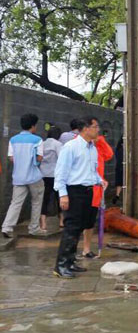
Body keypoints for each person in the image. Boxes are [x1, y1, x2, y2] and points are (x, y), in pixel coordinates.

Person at [53, 116, 107, 278]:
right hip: (73, 191)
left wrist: (100, 180)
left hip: (88, 191)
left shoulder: (92, 148)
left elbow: (91, 170)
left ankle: (70, 261)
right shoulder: (71, 147)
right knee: (71, 228)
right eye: (95, 126)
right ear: (85, 128)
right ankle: (60, 265)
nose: (98, 130)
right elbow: (61, 172)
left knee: (79, 228)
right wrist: (63, 194)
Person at [1, 113, 45, 238]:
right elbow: (39, 157)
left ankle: (7, 227)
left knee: (15, 202)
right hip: (33, 177)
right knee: (36, 201)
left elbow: (11, 158)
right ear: (33, 126)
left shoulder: (13, 140)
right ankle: (34, 228)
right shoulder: (37, 140)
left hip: (18, 177)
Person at [80, 131, 114, 259]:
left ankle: (86, 249)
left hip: (96, 190)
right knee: (78, 222)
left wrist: (100, 141)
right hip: (82, 190)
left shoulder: (98, 149)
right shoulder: (78, 146)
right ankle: (71, 252)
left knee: (89, 222)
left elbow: (109, 154)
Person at [40, 126, 63, 231]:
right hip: (55, 175)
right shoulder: (58, 144)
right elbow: (62, 159)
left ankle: (43, 223)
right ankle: (62, 220)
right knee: (59, 198)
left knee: (45, 198)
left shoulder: (42, 144)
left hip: (43, 174)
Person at [112, 137, 123, 205]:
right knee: (123, 182)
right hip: (122, 167)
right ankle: (118, 196)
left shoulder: (118, 149)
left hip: (118, 167)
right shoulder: (123, 149)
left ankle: (117, 195)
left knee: (119, 183)